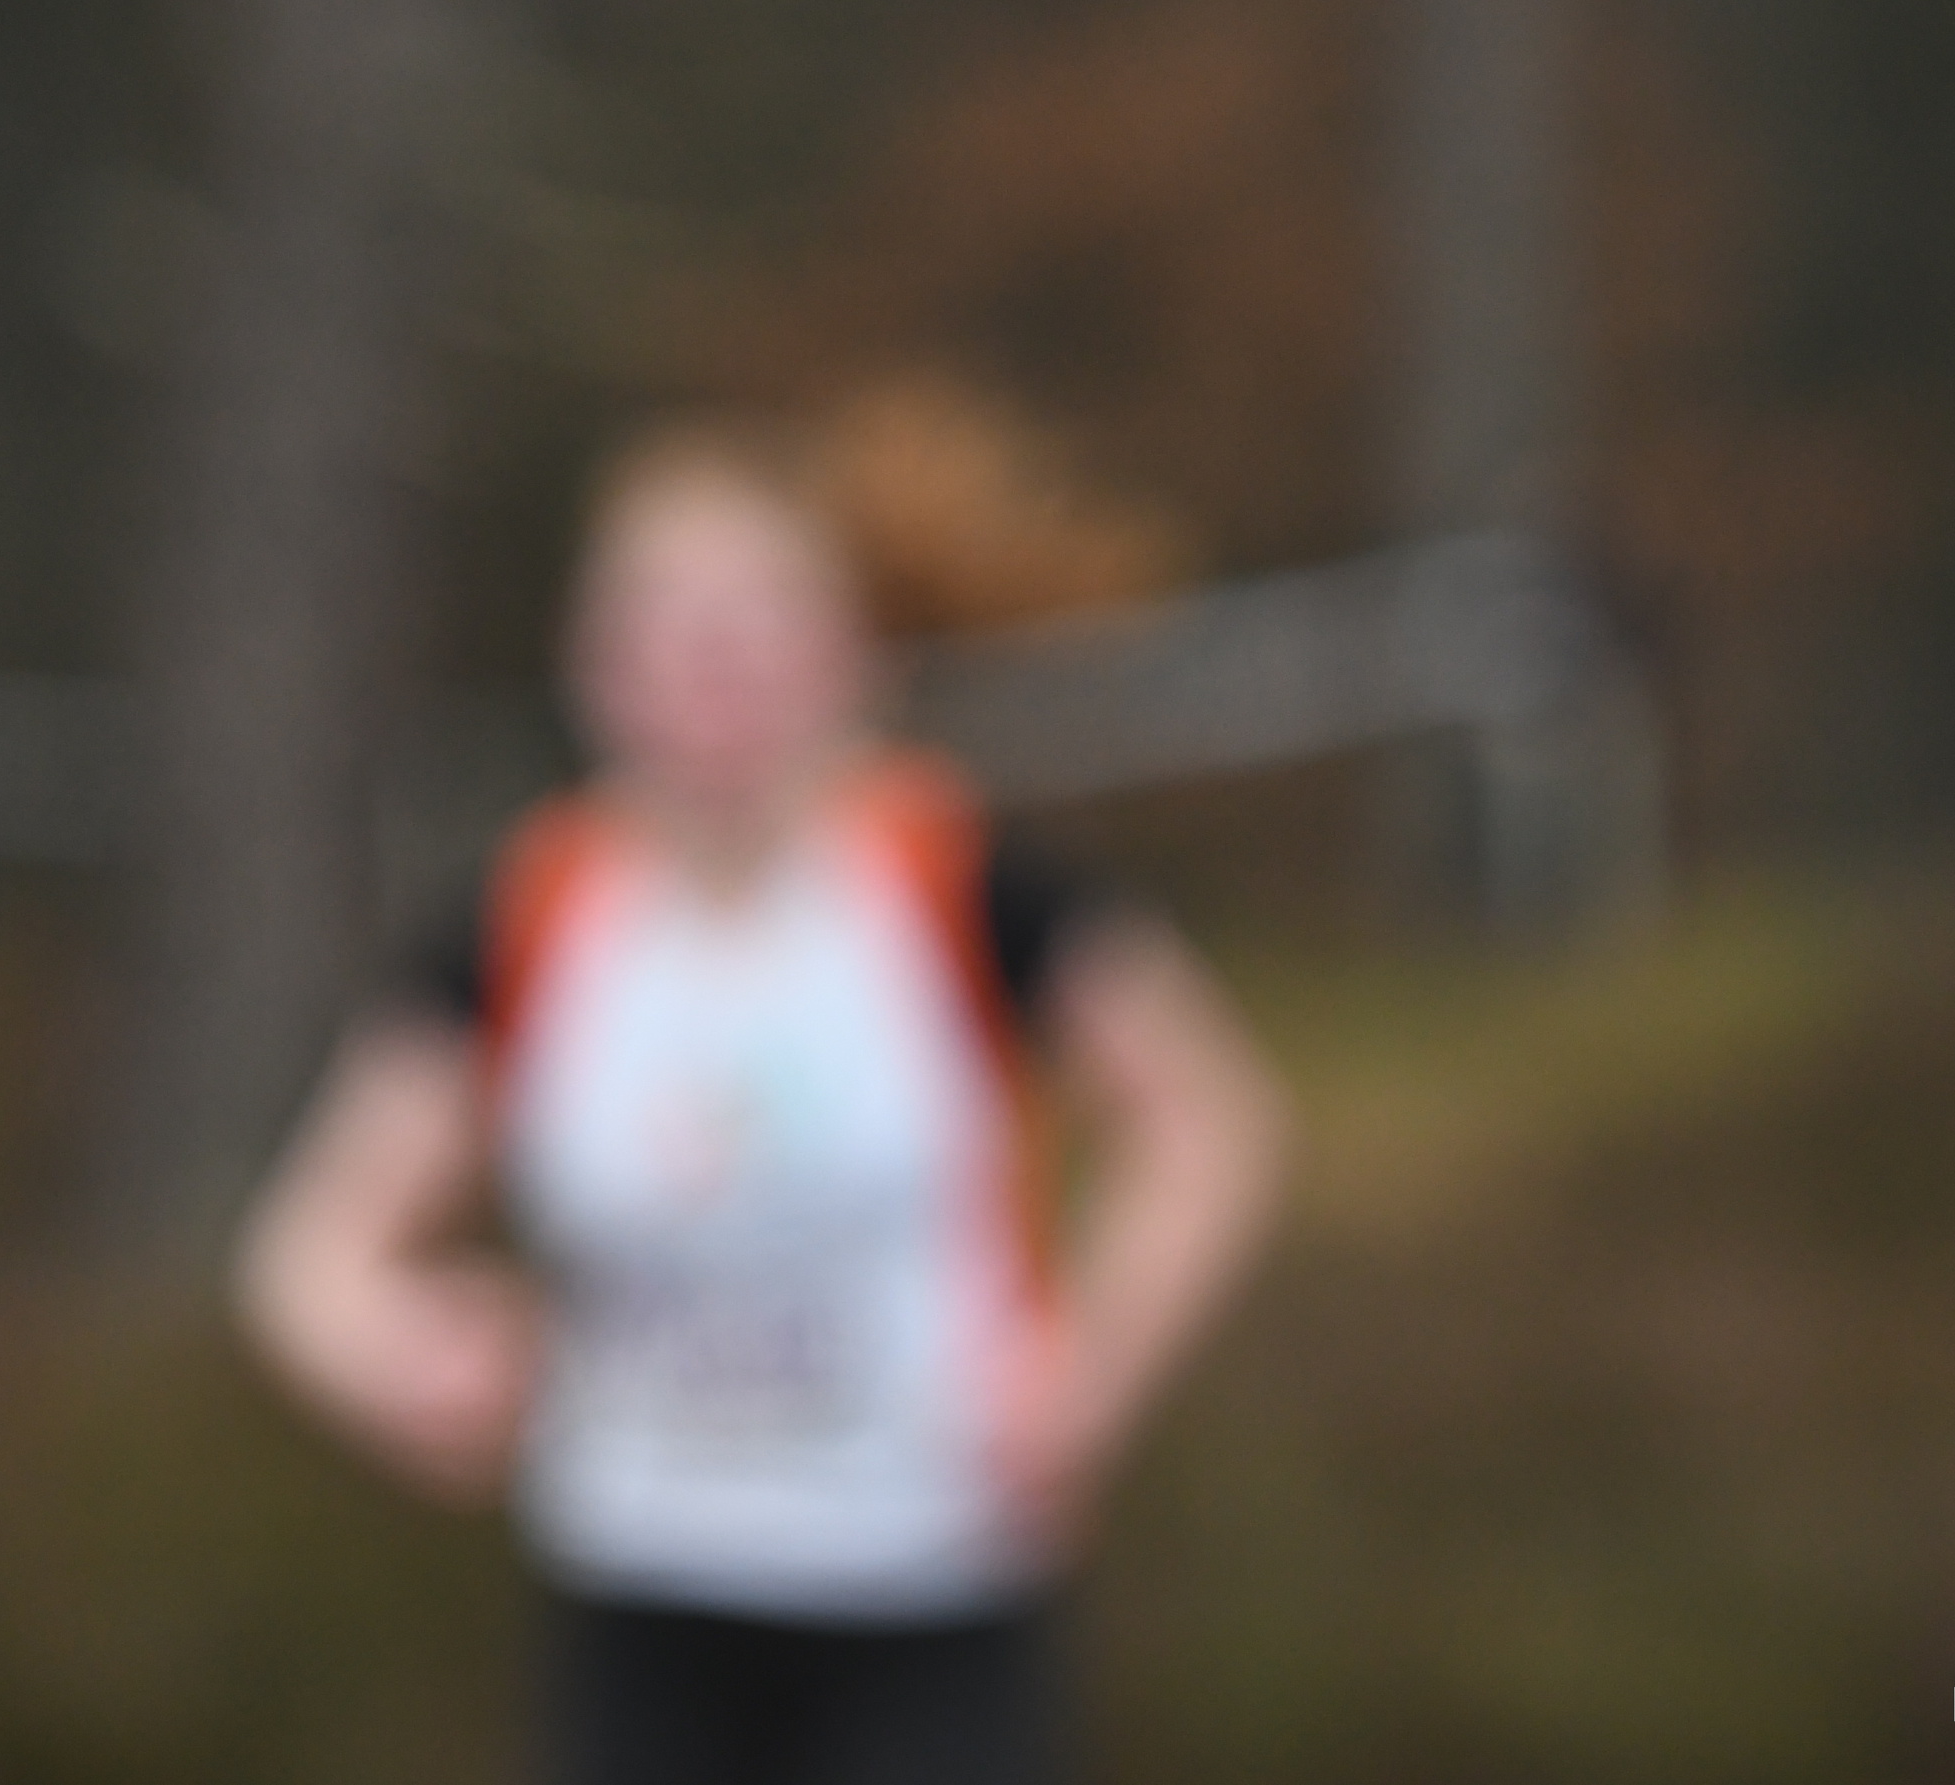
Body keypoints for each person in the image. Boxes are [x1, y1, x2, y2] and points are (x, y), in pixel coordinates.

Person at [233, 418, 1291, 1785]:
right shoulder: (528, 917)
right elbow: (306, 1248)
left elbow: (1213, 1121)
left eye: (755, 622)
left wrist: (1092, 1369)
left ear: (851, 656)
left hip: (927, 1587)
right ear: (593, 664)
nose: (715, 666)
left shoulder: (962, 884)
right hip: (643, 1600)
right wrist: (390, 1348)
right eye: (671, 625)